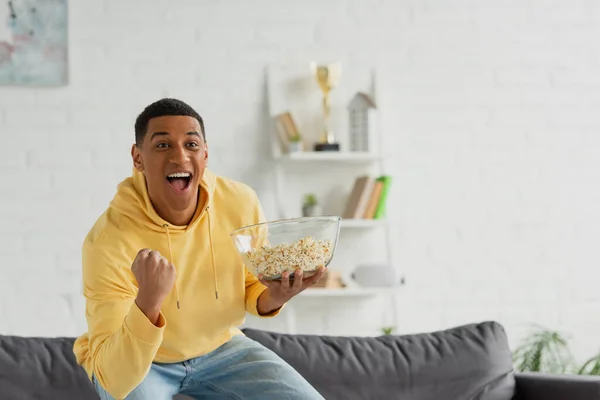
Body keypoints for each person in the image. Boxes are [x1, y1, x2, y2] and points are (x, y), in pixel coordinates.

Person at [72, 98, 326, 400]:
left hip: (222, 349)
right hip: (146, 362)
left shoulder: (240, 203)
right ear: (138, 158)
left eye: (191, 145)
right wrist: (147, 303)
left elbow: (251, 287)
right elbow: (113, 377)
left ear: (205, 155)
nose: (180, 157)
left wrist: (276, 295)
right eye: (163, 145)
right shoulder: (107, 241)